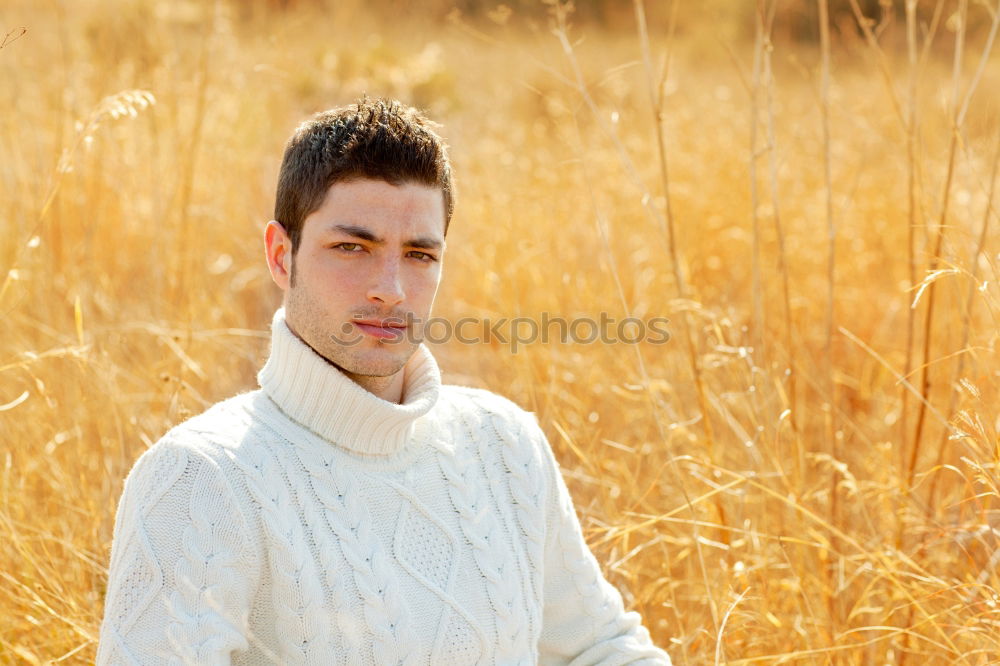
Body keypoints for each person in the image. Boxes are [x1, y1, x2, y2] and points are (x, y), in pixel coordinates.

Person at [96, 98, 671, 665]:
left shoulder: (504, 444)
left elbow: (600, 649)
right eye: (353, 247)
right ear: (280, 256)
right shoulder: (202, 479)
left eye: (420, 254)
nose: (391, 289)